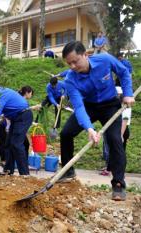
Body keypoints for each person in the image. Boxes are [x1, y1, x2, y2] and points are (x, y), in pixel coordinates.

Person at [60, 41, 134, 201]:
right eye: (69, 63)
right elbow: (78, 107)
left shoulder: (105, 60)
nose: (72, 66)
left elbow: (124, 72)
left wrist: (128, 93)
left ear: (86, 55)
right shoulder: (70, 79)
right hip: (88, 106)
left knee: (115, 140)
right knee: (66, 133)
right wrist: (89, 129)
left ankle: (118, 184)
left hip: (110, 105)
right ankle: (67, 171)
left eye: (75, 61)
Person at [0, 87, 33, 176]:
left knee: (16, 144)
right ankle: (8, 170)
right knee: (8, 144)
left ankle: (25, 174)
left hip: (23, 116)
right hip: (16, 117)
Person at [101, 86, 132, 176]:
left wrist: (120, 135)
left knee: (117, 152)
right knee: (116, 151)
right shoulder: (123, 106)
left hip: (122, 130)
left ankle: (111, 170)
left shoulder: (125, 107)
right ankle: (111, 168)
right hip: (120, 130)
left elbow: (125, 120)